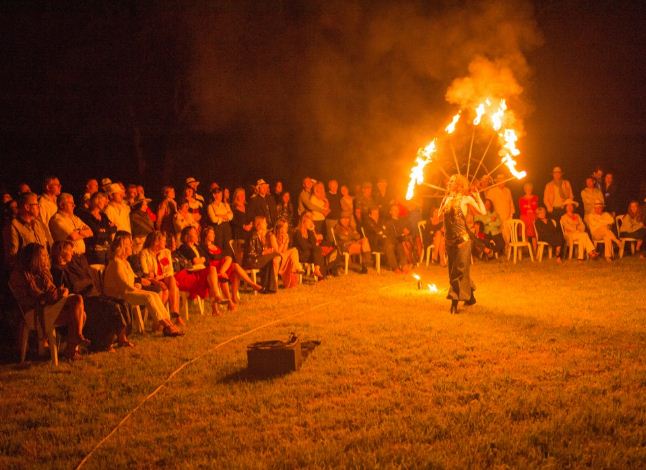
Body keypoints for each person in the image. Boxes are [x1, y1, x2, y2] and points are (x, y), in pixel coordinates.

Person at [9, 243, 89, 360]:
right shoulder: (21, 275)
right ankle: (76, 338)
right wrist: (50, 296)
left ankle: (71, 350)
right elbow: (34, 298)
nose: (46, 257)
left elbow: (52, 292)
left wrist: (60, 292)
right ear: (34, 257)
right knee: (77, 299)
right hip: (35, 312)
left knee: (81, 314)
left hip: (47, 308)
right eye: (43, 255)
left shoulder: (43, 273)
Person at [50, 240, 133, 351]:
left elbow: (86, 279)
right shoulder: (57, 271)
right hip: (83, 300)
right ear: (62, 252)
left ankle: (122, 337)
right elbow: (69, 290)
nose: (72, 252)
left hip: (92, 294)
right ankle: (104, 343)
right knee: (113, 307)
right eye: (69, 250)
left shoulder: (73, 266)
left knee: (124, 303)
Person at [103, 232, 183, 336]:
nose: (132, 246)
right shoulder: (116, 263)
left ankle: (169, 324)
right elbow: (126, 285)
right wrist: (139, 284)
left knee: (154, 295)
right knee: (149, 296)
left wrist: (138, 283)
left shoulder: (125, 262)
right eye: (129, 244)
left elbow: (133, 279)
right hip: (119, 295)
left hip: (128, 291)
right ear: (122, 247)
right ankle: (167, 326)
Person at [439, 174, 486, 314]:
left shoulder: (466, 199)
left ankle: (454, 304)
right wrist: (445, 202)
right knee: (455, 272)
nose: (449, 183)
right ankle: (470, 298)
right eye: (449, 181)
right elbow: (439, 216)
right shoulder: (446, 199)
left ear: (459, 185)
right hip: (449, 241)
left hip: (463, 241)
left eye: (452, 181)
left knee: (458, 271)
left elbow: (482, 212)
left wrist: (477, 197)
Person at [201, 225, 262, 304]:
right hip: (213, 269)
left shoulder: (216, 246)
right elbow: (209, 259)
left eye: (213, 233)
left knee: (234, 265)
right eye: (211, 233)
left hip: (222, 267)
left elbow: (222, 256)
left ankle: (239, 293)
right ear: (206, 235)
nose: (213, 235)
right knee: (231, 263)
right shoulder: (203, 247)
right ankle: (234, 295)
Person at [174, 226, 226, 314]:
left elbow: (207, 258)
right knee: (212, 273)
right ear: (187, 236)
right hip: (192, 274)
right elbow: (195, 261)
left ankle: (215, 308)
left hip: (201, 271)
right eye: (194, 233)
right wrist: (202, 259)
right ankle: (217, 298)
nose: (196, 234)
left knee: (211, 278)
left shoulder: (197, 247)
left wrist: (201, 259)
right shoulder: (184, 247)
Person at [139, 231, 183, 323]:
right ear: (156, 242)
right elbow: (146, 273)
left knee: (171, 279)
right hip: (152, 281)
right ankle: (173, 315)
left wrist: (159, 276)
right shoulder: (145, 253)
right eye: (163, 241)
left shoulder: (166, 252)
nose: (165, 243)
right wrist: (157, 279)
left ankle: (173, 310)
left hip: (164, 278)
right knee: (170, 287)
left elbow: (169, 270)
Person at [4, 192, 53, 268]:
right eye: (36, 204)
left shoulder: (38, 224)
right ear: (27, 207)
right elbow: (12, 256)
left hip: (44, 270)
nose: (39, 207)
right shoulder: (13, 226)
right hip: (28, 274)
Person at [243, 216, 280, 293]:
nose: (266, 224)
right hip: (251, 261)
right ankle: (270, 287)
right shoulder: (253, 235)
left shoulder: (260, 235)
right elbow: (251, 253)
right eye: (264, 222)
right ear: (259, 225)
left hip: (257, 259)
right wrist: (263, 252)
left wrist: (265, 251)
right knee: (274, 254)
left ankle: (268, 288)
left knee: (269, 261)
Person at [79, 192, 117, 265]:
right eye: (103, 201)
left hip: (107, 249)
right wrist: (107, 230)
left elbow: (115, 228)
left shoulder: (103, 216)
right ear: (96, 201)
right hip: (94, 250)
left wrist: (104, 230)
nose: (105, 203)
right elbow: (96, 233)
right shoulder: (86, 216)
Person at [363, 206, 403, 271]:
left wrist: (384, 233)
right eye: (374, 213)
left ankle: (403, 265)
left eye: (377, 213)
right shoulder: (368, 222)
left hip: (382, 241)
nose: (376, 215)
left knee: (398, 244)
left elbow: (384, 231)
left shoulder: (380, 221)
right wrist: (383, 233)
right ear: (370, 214)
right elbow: (377, 231)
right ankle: (395, 267)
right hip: (373, 243)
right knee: (389, 245)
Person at [293, 212, 325, 278]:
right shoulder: (298, 232)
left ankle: (317, 270)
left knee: (318, 251)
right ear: (303, 221)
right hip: (301, 255)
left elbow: (314, 243)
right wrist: (313, 246)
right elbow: (304, 246)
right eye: (309, 222)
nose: (311, 224)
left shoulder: (309, 232)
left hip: (309, 253)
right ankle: (318, 273)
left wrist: (312, 230)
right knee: (317, 250)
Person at [485, 173, 515, 243]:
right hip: (496, 218)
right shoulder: (492, 191)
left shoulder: (508, 190)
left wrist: (511, 215)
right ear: (496, 181)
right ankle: (498, 252)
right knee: (498, 237)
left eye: (503, 179)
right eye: (499, 180)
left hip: (507, 218)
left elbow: (511, 203)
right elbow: (488, 205)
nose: (501, 181)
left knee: (507, 237)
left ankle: (507, 251)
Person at [383, 205, 413, 272]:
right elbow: (386, 234)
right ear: (390, 212)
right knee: (391, 246)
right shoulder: (388, 222)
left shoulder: (402, 221)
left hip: (400, 240)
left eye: (397, 209)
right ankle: (395, 267)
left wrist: (407, 231)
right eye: (394, 209)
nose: (396, 211)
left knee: (400, 245)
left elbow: (409, 229)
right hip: (391, 241)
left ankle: (404, 265)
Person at [272, 218, 301, 288]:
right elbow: (277, 252)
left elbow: (284, 251)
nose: (286, 229)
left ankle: (295, 267)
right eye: (284, 227)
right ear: (279, 228)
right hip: (274, 255)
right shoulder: (273, 236)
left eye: (286, 227)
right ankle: (296, 267)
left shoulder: (286, 235)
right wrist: (282, 243)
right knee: (281, 257)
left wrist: (285, 242)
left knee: (294, 250)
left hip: (282, 255)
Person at [206, 184, 233, 253]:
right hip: (218, 228)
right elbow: (213, 219)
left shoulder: (225, 205)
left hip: (226, 228)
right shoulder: (210, 206)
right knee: (219, 246)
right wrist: (225, 216)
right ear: (214, 195)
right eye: (219, 194)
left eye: (221, 194)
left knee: (228, 246)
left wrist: (219, 215)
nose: (221, 196)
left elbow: (231, 216)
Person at [519, 182, 538, 251]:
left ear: (532, 189)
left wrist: (532, 210)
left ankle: (535, 249)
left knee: (534, 234)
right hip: (525, 217)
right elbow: (522, 209)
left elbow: (536, 208)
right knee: (525, 233)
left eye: (530, 188)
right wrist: (528, 209)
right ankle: (527, 250)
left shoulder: (535, 197)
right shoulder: (521, 199)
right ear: (524, 189)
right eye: (527, 188)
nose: (528, 190)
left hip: (533, 217)